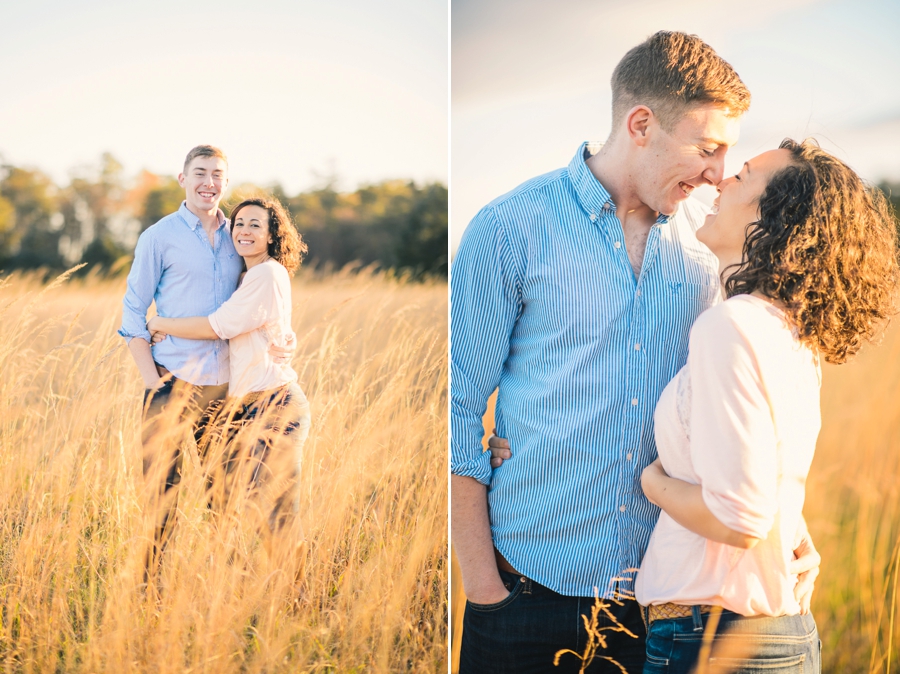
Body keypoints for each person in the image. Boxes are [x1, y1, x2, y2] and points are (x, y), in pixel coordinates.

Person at [451, 31, 818, 673]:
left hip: (665, 615)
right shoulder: (509, 228)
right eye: (707, 149)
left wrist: (788, 526)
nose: (716, 172)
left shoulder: (709, 260)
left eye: (727, 155)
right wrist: (486, 591)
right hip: (530, 599)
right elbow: (453, 409)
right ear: (641, 124)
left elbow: (743, 418)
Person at [631, 139, 898, 672]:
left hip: (715, 637)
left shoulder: (732, 327)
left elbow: (743, 517)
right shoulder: (785, 331)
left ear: (775, 217)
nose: (721, 179)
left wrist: (651, 484)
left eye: (744, 176)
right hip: (766, 634)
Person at [118, 146, 294, 588]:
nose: (208, 182)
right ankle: (149, 596)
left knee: (226, 502)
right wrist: (151, 380)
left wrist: (283, 339)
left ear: (226, 182)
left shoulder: (240, 234)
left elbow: (258, 301)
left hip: (227, 394)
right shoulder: (159, 237)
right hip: (171, 385)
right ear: (182, 178)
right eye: (200, 173)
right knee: (162, 502)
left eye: (217, 174)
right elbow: (133, 312)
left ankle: (218, 596)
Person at [147, 197, 311, 563]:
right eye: (238, 224)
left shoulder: (267, 274)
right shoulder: (247, 276)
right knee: (258, 507)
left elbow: (217, 326)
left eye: (255, 224)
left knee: (277, 513)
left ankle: (302, 597)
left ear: (271, 235)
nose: (244, 231)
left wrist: (160, 324)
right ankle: (287, 592)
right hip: (249, 409)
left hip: (275, 406)